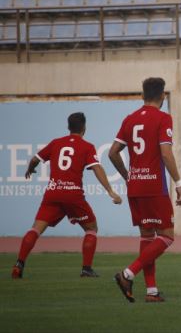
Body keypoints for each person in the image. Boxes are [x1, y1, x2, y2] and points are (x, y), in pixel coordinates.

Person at [12, 112, 122, 279]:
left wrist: (30, 169)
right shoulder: (87, 146)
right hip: (73, 195)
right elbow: (97, 168)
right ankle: (86, 269)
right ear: (84, 128)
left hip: (53, 193)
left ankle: (19, 263)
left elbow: (35, 159)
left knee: (36, 228)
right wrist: (110, 191)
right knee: (91, 229)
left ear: (68, 127)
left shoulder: (56, 143)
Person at [108, 77, 181, 303]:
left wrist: (127, 176)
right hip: (154, 186)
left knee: (147, 236)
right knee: (167, 236)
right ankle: (127, 274)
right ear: (163, 96)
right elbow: (166, 153)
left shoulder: (130, 119)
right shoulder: (163, 118)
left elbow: (112, 152)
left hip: (136, 186)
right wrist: (179, 184)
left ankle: (151, 291)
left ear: (142, 95)